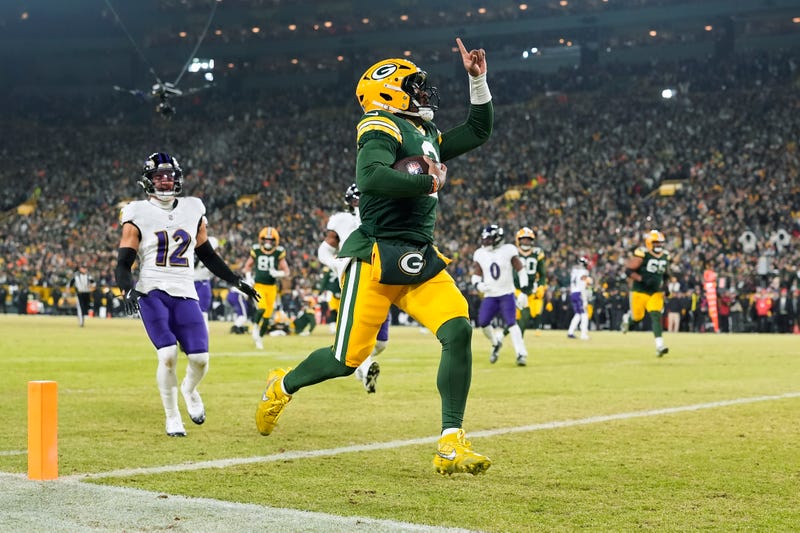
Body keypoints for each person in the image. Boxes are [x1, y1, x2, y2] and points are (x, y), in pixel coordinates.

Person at [255, 38, 494, 476]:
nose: (424, 94)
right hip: (376, 257)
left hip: (418, 256)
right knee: (345, 360)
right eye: (414, 87)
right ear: (389, 93)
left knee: (458, 329)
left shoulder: (424, 134)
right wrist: (427, 184)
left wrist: (477, 79)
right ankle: (281, 386)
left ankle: (450, 441)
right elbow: (371, 177)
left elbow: (478, 131)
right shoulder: (380, 125)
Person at [115, 151, 259, 437]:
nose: (166, 182)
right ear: (148, 180)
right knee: (167, 354)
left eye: (169, 176)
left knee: (201, 359)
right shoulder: (137, 212)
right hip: (151, 290)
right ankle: (172, 417)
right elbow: (123, 261)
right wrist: (127, 288)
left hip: (185, 290)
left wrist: (235, 280)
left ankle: (189, 390)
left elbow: (206, 253)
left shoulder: (194, 208)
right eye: (159, 177)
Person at [318, 183, 387, 393]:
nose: (359, 202)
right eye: (355, 199)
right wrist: (335, 263)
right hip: (354, 275)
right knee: (359, 329)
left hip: (381, 277)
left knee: (381, 342)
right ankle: (366, 369)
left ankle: (359, 362)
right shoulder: (342, 219)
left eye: (362, 197)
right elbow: (325, 249)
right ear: (349, 202)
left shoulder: (382, 214)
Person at [471, 224, 529, 366]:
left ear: (498, 238)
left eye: (489, 239)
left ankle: (521, 353)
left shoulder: (508, 250)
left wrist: (523, 291)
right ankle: (495, 343)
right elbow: (476, 275)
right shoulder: (480, 253)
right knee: (483, 323)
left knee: (512, 323)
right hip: (490, 295)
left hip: (506, 294)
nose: (486, 242)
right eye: (485, 239)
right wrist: (478, 285)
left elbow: (521, 270)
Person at [621, 230, 671, 356]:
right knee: (637, 317)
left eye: (660, 243)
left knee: (656, 316)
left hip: (655, 292)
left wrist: (666, 287)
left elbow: (665, 274)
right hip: (640, 291)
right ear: (649, 243)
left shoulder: (665, 255)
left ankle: (660, 346)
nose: (659, 245)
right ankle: (628, 319)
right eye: (656, 243)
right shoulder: (642, 254)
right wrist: (642, 279)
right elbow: (628, 271)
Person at [244, 226, 290, 350]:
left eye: (271, 240)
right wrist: (249, 278)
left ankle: (259, 338)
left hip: (272, 287)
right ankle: (254, 327)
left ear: (275, 240)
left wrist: (278, 273)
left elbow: (286, 271)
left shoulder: (279, 252)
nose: (268, 242)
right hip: (259, 285)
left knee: (267, 316)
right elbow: (247, 266)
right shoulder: (256, 250)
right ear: (261, 239)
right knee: (262, 308)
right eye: (266, 239)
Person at [514, 227, 547, 337]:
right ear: (519, 240)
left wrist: (541, 285)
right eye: (524, 239)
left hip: (530, 288)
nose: (526, 242)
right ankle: (510, 334)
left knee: (531, 312)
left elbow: (542, 273)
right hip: (516, 288)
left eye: (528, 239)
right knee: (517, 315)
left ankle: (517, 336)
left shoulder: (537, 253)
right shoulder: (513, 252)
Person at [193, 234, 219, 332]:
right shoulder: (197, 254)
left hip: (201, 282)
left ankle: (203, 335)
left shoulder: (196, 253)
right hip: (197, 283)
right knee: (197, 312)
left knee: (202, 312)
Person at [567, 256, 592, 340]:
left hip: (573, 293)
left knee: (578, 314)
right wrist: (584, 298)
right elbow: (582, 285)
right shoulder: (584, 272)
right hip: (579, 293)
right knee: (584, 314)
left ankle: (570, 332)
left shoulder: (574, 271)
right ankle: (583, 334)